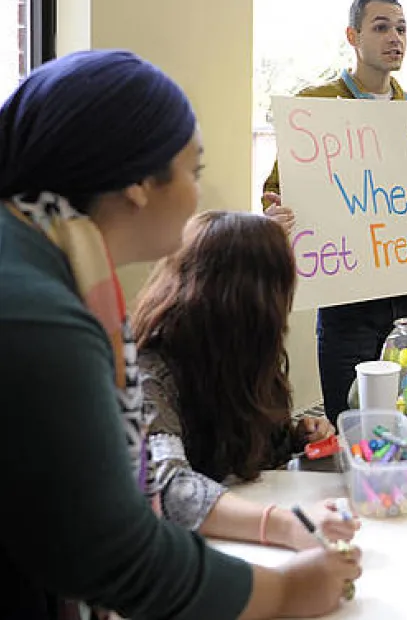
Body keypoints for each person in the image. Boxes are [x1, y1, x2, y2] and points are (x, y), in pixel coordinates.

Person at [0, 50, 360, 620]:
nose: (199, 194)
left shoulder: (41, 272)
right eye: (193, 171)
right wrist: (289, 591)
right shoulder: (41, 318)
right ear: (141, 183)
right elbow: (115, 552)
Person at [262, 0, 407, 426]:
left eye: (402, 28)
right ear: (353, 35)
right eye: (381, 27)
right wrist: (273, 218)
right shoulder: (316, 106)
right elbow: (276, 191)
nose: (395, 38)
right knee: (349, 417)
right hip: (346, 295)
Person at [134, 210, 360, 551]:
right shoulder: (148, 371)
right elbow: (168, 489)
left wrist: (298, 437)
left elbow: (247, 451)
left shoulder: (237, 358)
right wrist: (287, 525)